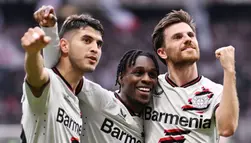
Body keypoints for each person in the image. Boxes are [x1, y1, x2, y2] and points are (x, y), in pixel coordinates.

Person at [34, 5, 160, 143]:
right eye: (138, 73)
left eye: (152, 75)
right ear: (121, 78)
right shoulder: (101, 100)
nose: (146, 79)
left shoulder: (153, 124)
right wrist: (49, 30)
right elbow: (59, 74)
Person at [144, 9, 239, 143]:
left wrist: (229, 70)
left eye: (191, 35)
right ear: (162, 52)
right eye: (178, 37)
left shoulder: (215, 92)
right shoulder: (149, 87)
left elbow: (226, 129)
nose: (188, 39)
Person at [20, 9, 104, 143]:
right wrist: (32, 52)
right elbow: (36, 77)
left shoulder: (76, 101)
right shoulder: (50, 83)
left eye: (99, 44)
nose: (95, 49)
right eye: (87, 40)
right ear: (64, 46)